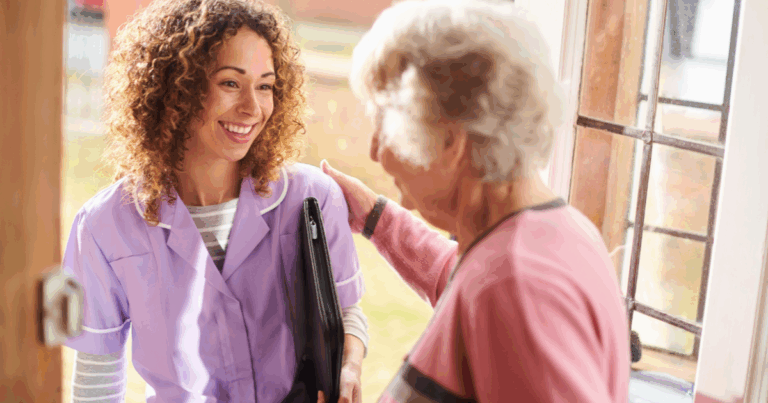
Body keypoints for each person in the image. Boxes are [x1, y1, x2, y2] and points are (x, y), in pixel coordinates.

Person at [318, 0, 630, 402]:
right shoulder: (555, 233)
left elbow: (500, 292)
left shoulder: (515, 287)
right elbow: (467, 279)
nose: (375, 151)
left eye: (384, 122)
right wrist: (375, 217)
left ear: (450, 141)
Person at [62, 1, 367, 402]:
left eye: (265, 86)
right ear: (177, 88)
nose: (252, 108)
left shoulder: (312, 200)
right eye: (230, 83)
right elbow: (97, 382)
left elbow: (345, 312)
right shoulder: (105, 225)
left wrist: (349, 366)